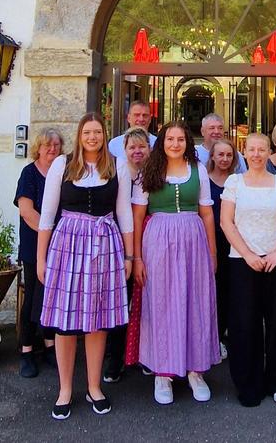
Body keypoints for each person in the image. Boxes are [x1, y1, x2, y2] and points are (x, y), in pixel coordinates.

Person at [37, 114, 134, 420]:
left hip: (105, 245)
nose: (93, 137)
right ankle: (65, 389)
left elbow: (125, 214)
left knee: (98, 317)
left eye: (98, 132)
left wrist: (130, 257)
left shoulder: (117, 166)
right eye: (87, 132)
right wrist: (41, 259)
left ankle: (94, 386)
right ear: (79, 135)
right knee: (65, 321)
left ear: (105, 136)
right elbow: (48, 214)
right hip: (68, 245)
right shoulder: (61, 165)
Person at [132, 121, 220, 405]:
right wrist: (137, 258)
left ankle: (195, 370)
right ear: (162, 142)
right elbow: (136, 218)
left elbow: (207, 214)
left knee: (195, 303)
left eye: (180, 139)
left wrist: (213, 252)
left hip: (194, 241)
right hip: (158, 241)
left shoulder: (198, 171)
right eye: (170, 139)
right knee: (161, 304)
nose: (175, 144)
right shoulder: (149, 170)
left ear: (187, 142)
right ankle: (163, 372)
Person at [220, 132, 276, 407]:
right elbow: (226, 222)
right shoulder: (234, 183)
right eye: (251, 149)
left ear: (269, 152)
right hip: (243, 262)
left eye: (261, 149)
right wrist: (248, 255)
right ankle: (249, 384)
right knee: (245, 324)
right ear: (244, 151)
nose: (256, 154)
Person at [14, 127, 63, 379]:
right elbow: (27, 211)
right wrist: (51, 235)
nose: (52, 149)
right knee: (33, 295)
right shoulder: (29, 173)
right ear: (39, 148)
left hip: (58, 246)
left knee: (51, 297)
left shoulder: (62, 173)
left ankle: (50, 345)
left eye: (56, 145)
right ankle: (26, 350)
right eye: (48, 146)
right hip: (35, 245)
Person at [104, 127, 150, 383]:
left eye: (141, 147)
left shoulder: (154, 174)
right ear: (124, 151)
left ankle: (145, 355)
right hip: (120, 246)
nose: (137, 151)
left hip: (148, 246)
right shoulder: (116, 174)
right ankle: (115, 358)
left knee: (145, 305)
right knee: (119, 303)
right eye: (132, 147)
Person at [206, 139, 242, 356]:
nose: (224, 159)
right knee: (213, 292)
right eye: (220, 155)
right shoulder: (203, 180)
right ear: (212, 156)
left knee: (232, 291)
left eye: (229, 155)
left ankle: (229, 335)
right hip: (210, 243)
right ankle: (213, 338)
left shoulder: (238, 181)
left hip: (234, 243)